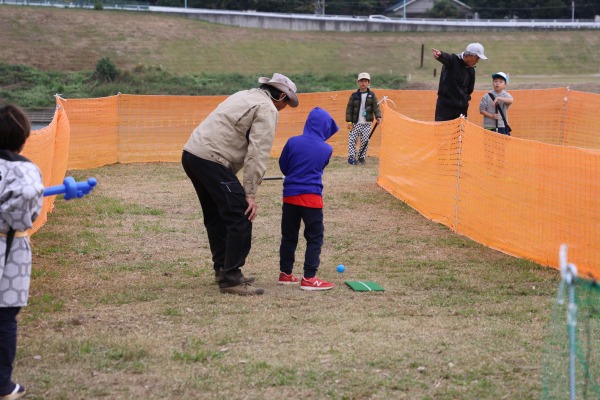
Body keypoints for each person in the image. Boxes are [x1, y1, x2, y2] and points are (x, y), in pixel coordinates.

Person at [181, 73, 299, 296]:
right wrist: (250, 194)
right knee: (241, 213)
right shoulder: (267, 108)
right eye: (286, 103)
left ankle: (223, 270)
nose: (284, 108)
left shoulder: (243, 95)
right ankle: (231, 277)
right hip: (211, 159)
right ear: (281, 95)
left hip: (192, 154)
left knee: (216, 215)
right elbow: (257, 153)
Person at [0, 105, 45, 400]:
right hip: (9, 247)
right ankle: (2, 385)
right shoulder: (24, 169)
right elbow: (28, 200)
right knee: (4, 317)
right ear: (24, 136)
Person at [278, 107, 338, 291]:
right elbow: (321, 166)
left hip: (290, 196)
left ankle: (285, 274)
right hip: (311, 198)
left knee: (289, 236)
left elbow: (284, 165)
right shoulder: (326, 148)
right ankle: (309, 278)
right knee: (314, 237)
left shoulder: (292, 142)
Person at [432, 43, 488, 121]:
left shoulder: (471, 70)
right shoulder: (453, 60)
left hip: (462, 110)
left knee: (460, 133)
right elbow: (447, 58)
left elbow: (470, 89)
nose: (477, 61)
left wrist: (464, 99)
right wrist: (440, 55)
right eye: (477, 58)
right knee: (442, 132)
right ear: (469, 55)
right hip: (445, 109)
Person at [345, 72, 382, 165]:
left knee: (365, 140)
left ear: (368, 83)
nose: (363, 83)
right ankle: (351, 157)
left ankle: (361, 157)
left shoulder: (372, 95)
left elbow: (376, 107)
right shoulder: (354, 96)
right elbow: (349, 108)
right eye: (361, 81)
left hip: (367, 123)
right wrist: (349, 121)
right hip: (355, 123)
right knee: (352, 140)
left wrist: (378, 116)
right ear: (358, 82)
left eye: (365, 81)